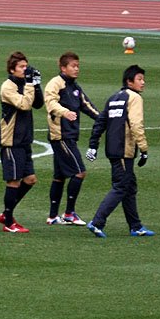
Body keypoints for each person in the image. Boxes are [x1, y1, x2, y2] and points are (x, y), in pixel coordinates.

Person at [85, 65, 154, 237]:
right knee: (121, 186)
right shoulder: (134, 98)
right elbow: (136, 124)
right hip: (124, 150)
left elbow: (100, 122)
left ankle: (135, 226)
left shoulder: (114, 97)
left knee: (129, 187)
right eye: (139, 79)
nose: (143, 82)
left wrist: (93, 145)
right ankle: (97, 222)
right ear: (129, 81)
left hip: (113, 149)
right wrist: (144, 149)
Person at [44, 52, 100, 226]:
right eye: (73, 66)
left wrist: (103, 119)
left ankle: (53, 216)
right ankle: (69, 213)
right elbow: (50, 103)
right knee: (79, 172)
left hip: (70, 136)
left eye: (78, 66)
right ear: (63, 68)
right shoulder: (55, 84)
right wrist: (64, 112)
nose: (77, 69)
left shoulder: (75, 87)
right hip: (61, 136)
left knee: (59, 177)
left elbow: (87, 105)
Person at [0, 51, 44, 233]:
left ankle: (6, 213)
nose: (25, 69)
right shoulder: (7, 87)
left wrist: (37, 85)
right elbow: (24, 104)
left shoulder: (25, 83)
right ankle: (9, 223)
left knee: (30, 180)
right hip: (11, 140)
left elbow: (38, 104)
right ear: (12, 69)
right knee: (14, 181)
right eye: (21, 67)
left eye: (26, 66)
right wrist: (30, 84)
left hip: (24, 139)